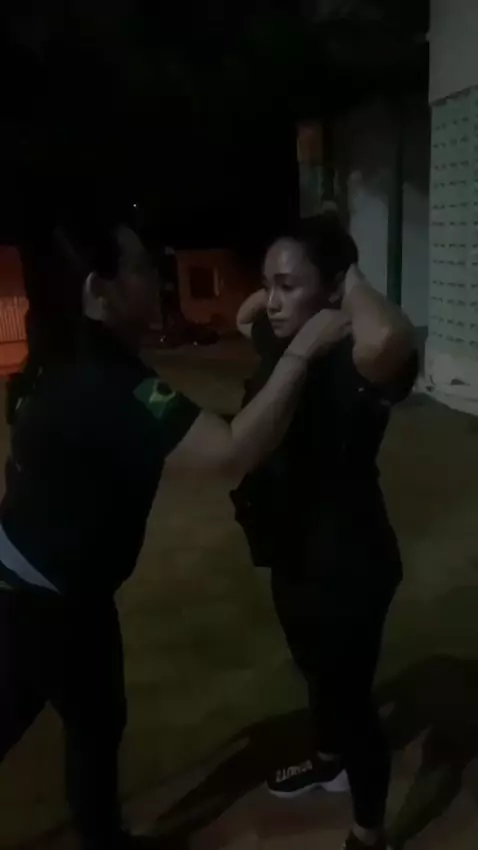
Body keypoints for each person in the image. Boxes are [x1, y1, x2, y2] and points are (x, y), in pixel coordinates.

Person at [0, 216, 352, 850]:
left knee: (94, 720)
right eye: (139, 268)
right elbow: (228, 453)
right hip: (39, 600)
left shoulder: (61, 363)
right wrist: (303, 351)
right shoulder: (112, 384)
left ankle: (104, 837)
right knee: (69, 717)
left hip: (51, 585)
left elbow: (178, 429)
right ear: (98, 291)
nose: (157, 280)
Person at [232, 214, 418, 850]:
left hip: (349, 565)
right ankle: (329, 759)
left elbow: (391, 333)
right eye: (270, 284)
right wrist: (288, 287)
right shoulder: (286, 338)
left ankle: (368, 830)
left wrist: (351, 277)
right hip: (291, 553)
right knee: (316, 674)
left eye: (288, 286)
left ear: (334, 288)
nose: (272, 301)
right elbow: (245, 313)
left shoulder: (356, 358)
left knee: (350, 699)